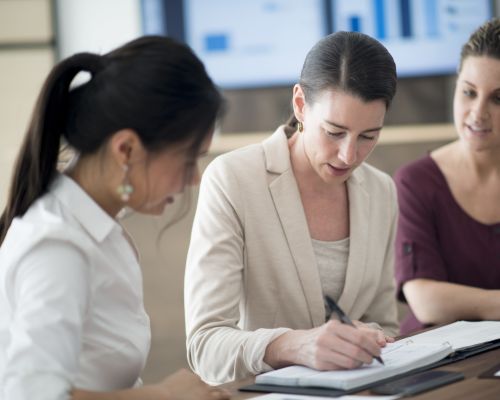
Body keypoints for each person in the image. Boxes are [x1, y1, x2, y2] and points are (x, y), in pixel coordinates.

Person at [0, 36, 230, 400]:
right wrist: (164, 396)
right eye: (188, 159)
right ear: (126, 149)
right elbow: (31, 395)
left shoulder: (96, 227)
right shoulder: (57, 245)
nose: (195, 178)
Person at [184, 31, 400, 384]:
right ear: (300, 104)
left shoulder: (381, 191)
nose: (349, 155)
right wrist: (294, 345)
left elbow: (387, 324)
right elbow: (205, 346)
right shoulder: (232, 180)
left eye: (368, 136)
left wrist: (370, 337)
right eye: (334, 132)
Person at [394, 18, 500, 335]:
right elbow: (426, 300)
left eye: (498, 98)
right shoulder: (415, 182)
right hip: (440, 356)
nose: (478, 112)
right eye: (469, 92)